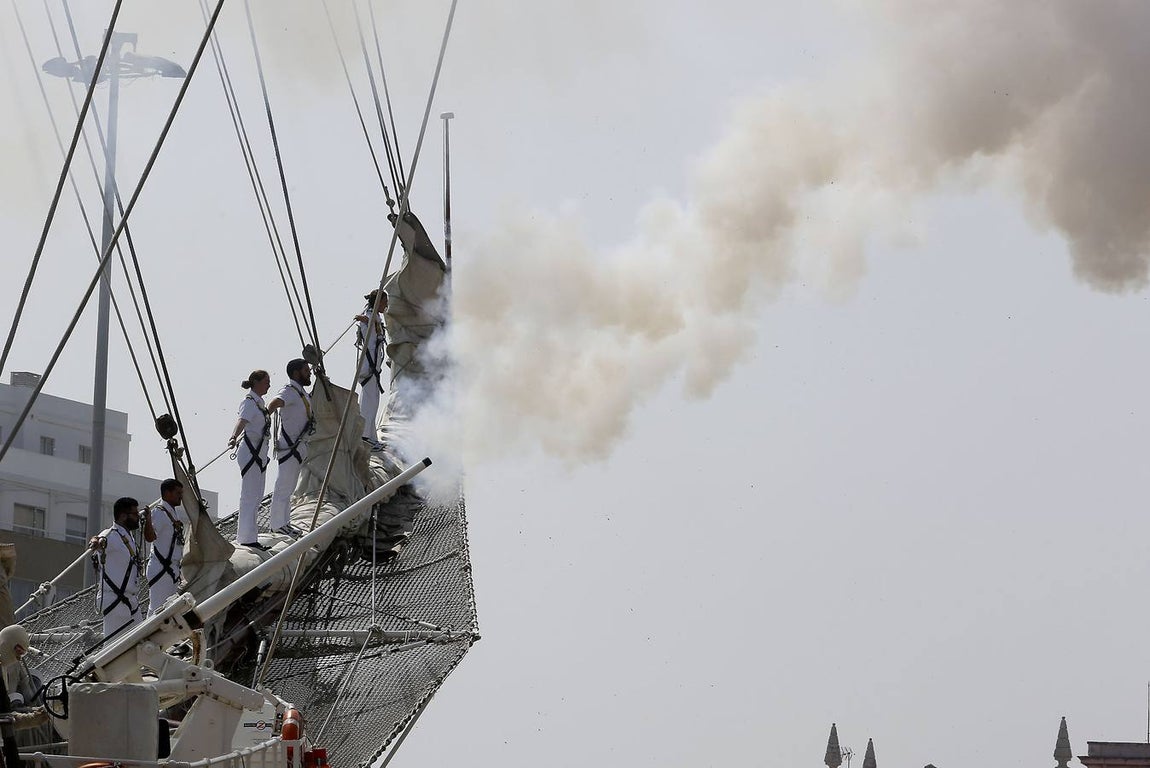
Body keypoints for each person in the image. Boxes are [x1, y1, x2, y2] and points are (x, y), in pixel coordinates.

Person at [89, 497, 154, 639]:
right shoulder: (111, 535)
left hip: (130, 601)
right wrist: (95, 541)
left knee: (140, 643)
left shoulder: (128, 537)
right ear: (124, 516)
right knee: (114, 648)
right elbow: (100, 540)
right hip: (115, 601)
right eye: (135, 514)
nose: (138, 517)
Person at [267, 359, 313, 535]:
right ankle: (278, 525)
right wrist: (266, 417)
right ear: (296, 373)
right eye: (306, 370)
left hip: (300, 447)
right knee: (283, 486)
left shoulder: (303, 394)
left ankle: (284, 523)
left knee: (290, 487)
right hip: (290, 447)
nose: (308, 373)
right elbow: (275, 402)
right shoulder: (290, 391)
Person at [228, 370, 272, 549]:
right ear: (256, 382)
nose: (269, 384)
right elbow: (242, 421)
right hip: (251, 452)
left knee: (257, 496)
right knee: (249, 495)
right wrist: (233, 436)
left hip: (260, 454)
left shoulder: (260, 403)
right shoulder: (249, 402)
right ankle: (246, 538)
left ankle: (251, 536)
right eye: (266, 381)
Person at [146, 479, 188, 616]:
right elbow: (150, 537)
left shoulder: (172, 513)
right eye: (178, 493)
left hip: (171, 570)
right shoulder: (159, 513)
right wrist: (147, 520)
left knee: (168, 610)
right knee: (158, 610)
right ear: (167, 493)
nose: (180, 496)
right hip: (161, 569)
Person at [356, 289, 388, 450]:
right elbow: (362, 318)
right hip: (368, 367)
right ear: (378, 302)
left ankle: (371, 436)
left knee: (373, 401)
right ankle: (364, 437)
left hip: (374, 367)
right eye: (384, 302)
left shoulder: (376, 316)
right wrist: (366, 320)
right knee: (368, 402)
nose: (386, 305)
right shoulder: (369, 316)